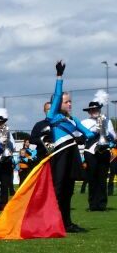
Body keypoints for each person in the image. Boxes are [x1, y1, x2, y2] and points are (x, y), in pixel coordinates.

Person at [47, 61, 94, 233]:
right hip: (60, 155)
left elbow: (87, 134)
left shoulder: (73, 120)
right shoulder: (53, 115)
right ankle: (54, 223)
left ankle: (67, 223)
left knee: (68, 191)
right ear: (58, 104)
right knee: (59, 190)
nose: (70, 104)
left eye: (70, 102)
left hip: (72, 155)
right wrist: (59, 76)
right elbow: (58, 95)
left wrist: (97, 134)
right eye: (67, 102)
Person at [80, 100, 114, 212]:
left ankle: (102, 204)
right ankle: (93, 205)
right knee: (92, 178)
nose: (94, 111)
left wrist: (106, 132)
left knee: (102, 178)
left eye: (96, 109)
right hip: (90, 152)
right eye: (92, 109)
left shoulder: (107, 120)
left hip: (104, 150)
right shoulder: (84, 122)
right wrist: (94, 130)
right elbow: (80, 137)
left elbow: (112, 134)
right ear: (89, 111)